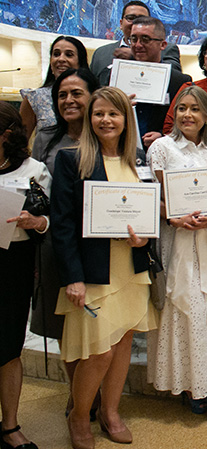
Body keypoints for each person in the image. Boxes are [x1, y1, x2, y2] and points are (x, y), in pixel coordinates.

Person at [51, 87, 158, 449]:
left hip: (130, 269)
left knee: (124, 341)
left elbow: (146, 219)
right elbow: (62, 224)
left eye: (114, 114)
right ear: (89, 118)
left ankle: (110, 412)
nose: (106, 120)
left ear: (126, 119)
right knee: (99, 351)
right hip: (94, 272)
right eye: (98, 114)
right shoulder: (71, 160)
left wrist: (144, 240)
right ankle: (80, 415)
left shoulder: (136, 163)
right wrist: (73, 277)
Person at [147, 86, 207, 429]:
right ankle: (190, 383)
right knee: (184, 309)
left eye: (195, 109)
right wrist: (172, 216)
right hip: (178, 239)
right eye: (182, 108)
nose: (188, 115)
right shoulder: (162, 148)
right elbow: (154, 199)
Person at [29, 68, 100, 417]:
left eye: (77, 93)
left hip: (100, 244)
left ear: (93, 96)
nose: (69, 100)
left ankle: (94, 392)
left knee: (97, 323)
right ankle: (78, 396)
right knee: (62, 325)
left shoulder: (106, 134)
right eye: (62, 95)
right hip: (55, 243)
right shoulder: (45, 139)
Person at [0, 102, 51, 449]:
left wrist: (35, 222)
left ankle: (10, 426)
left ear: (6, 133)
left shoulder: (33, 169)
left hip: (11, 266)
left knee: (8, 347)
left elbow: (48, 219)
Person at [103, 16, 191, 149]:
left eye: (145, 39)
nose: (138, 45)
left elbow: (188, 124)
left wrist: (164, 137)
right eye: (133, 39)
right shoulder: (114, 76)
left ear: (163, 45)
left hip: (162, 155)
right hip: (119, 150)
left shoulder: (179, 81)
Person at [90, 0, 181, 80]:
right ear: (121, 23)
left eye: (142, 19)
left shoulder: (166, 49)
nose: (135, 23)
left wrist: (134, 56)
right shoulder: (101, 53)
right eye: (130, 18)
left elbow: (174, 78)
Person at [19, 36, 88, 138]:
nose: (61, 59)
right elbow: (20, 143)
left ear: (80, 63)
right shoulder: (35, 98)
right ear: (51, 63)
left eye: (69, 55)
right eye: (56, 54)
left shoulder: (93, 95)